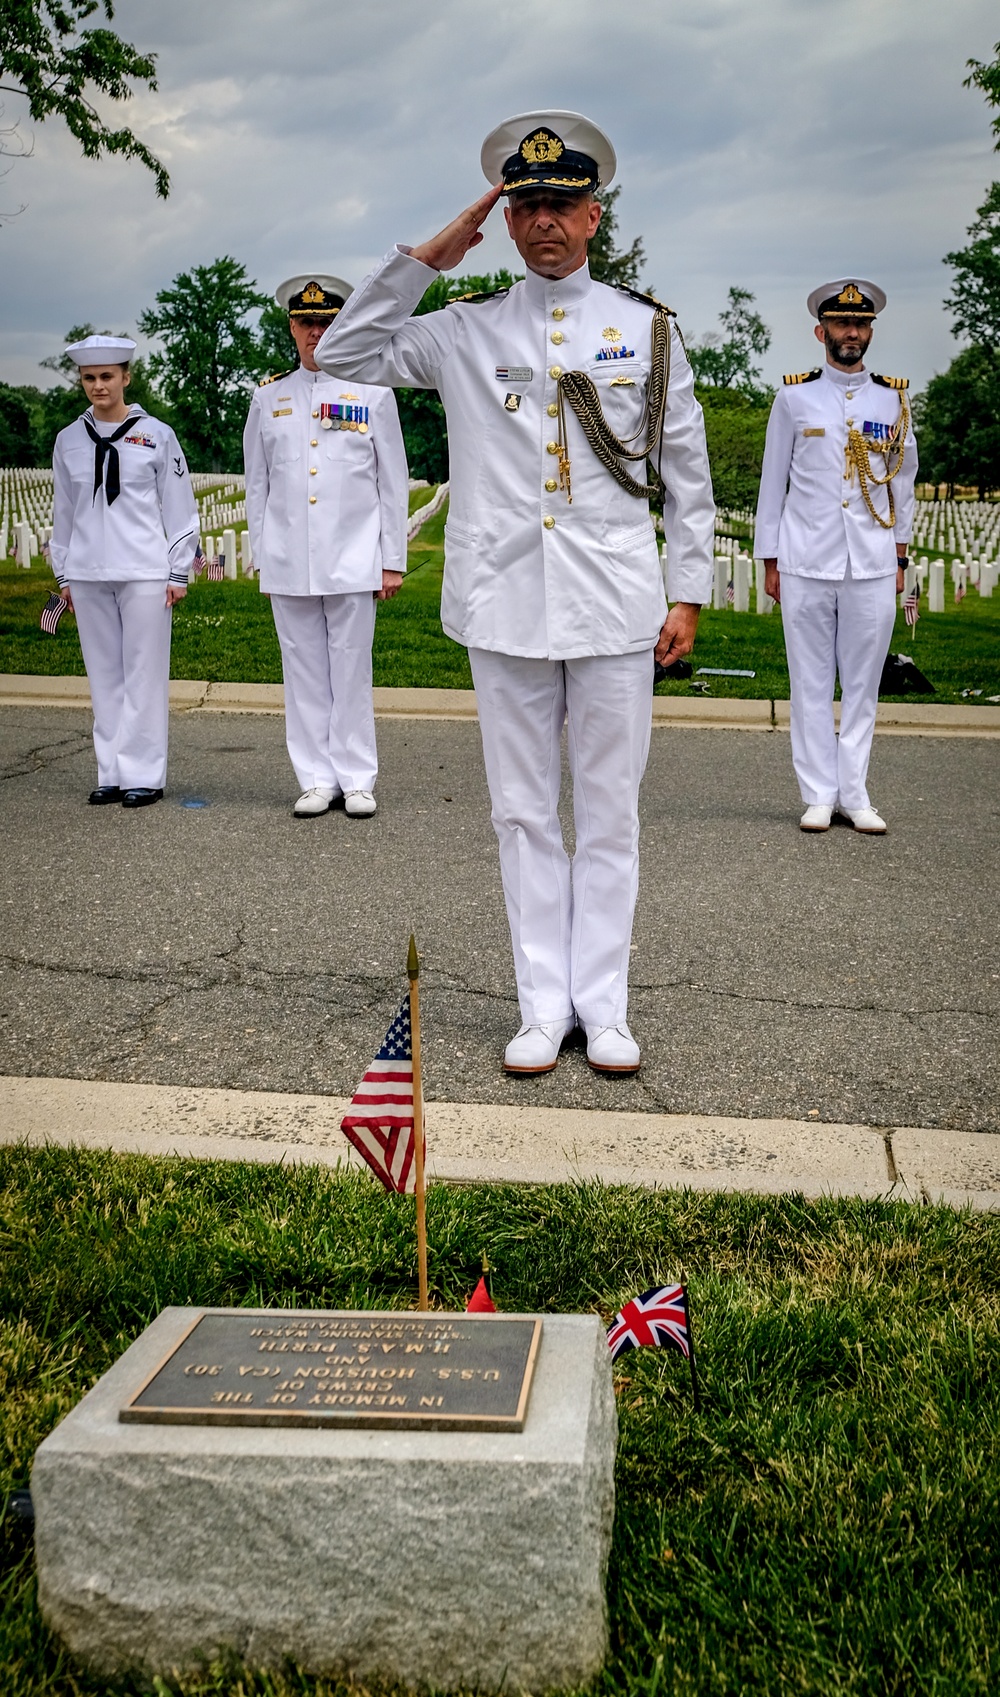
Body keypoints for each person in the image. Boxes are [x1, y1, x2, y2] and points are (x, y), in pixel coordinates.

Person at [315, 112, 714, 1073]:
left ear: (593, 216)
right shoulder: (462, 329)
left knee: (609, 810)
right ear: (507, 216)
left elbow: (687, 468)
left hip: (616, 605)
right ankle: (542, 1005)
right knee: (524, 813)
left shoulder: (643, 328)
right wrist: (426, 257)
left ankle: (605, 1006)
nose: (544, 221)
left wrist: (688, 591)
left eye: (561, 204)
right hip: (502, 603)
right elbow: (342, 355)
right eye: (527, 204)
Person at [754, 280, 918, 834]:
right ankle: (819, 793)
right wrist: (769, 561)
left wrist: (898, 558)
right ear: (820, 332)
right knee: (810, 683)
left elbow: (904, 484)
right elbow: (772, 481)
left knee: (864, 683)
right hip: (805, 560)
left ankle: (856, 792)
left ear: (869, 331)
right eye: (843, 324)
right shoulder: (794, 398)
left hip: (870, 562)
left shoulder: (892, 400)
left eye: (862, 324)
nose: (853, 333)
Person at [243, 275, 409, 818]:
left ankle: (357, 776)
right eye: (305, 322)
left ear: (340, 324)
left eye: (325, 322)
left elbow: (392, 482)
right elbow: (258, 485)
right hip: (290, 559)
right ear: (291, 327)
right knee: (303, 671)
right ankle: (316, 777)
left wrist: (391, 561)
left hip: (354, 558)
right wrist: (263, 558)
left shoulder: (372, 392)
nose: (315, 332)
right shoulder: (269, 398)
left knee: (351, 669)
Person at [50, 334, 199, 808]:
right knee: (103, 675)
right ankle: (110, 771)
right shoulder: (69, 440)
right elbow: (64, 511)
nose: (98, 386)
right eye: (90, 378)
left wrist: (178, 570)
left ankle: (145, 774)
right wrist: (64, 573)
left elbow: (179, 507)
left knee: (143, 673)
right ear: (82, 381)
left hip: (143, 570)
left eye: (107, 376)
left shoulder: (156, 435)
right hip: (89, 571)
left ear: (126, 378)